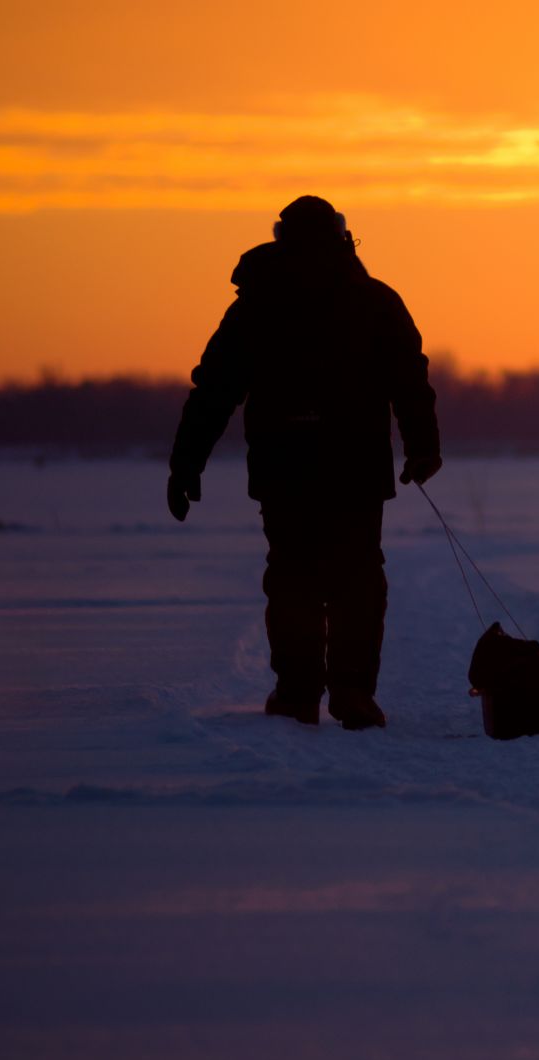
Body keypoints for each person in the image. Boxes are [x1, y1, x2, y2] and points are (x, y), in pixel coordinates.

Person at [167, 195, 441, 730]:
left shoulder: (257, 306)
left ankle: (299, 694)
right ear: (344, 239)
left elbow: (213, 392)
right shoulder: (375, 300)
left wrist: (186, 463)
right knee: (356, 576)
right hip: (353, 467)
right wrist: (423, 446)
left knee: (294, 575)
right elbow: (410, 381)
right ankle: (351, 693)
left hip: (285, 465)